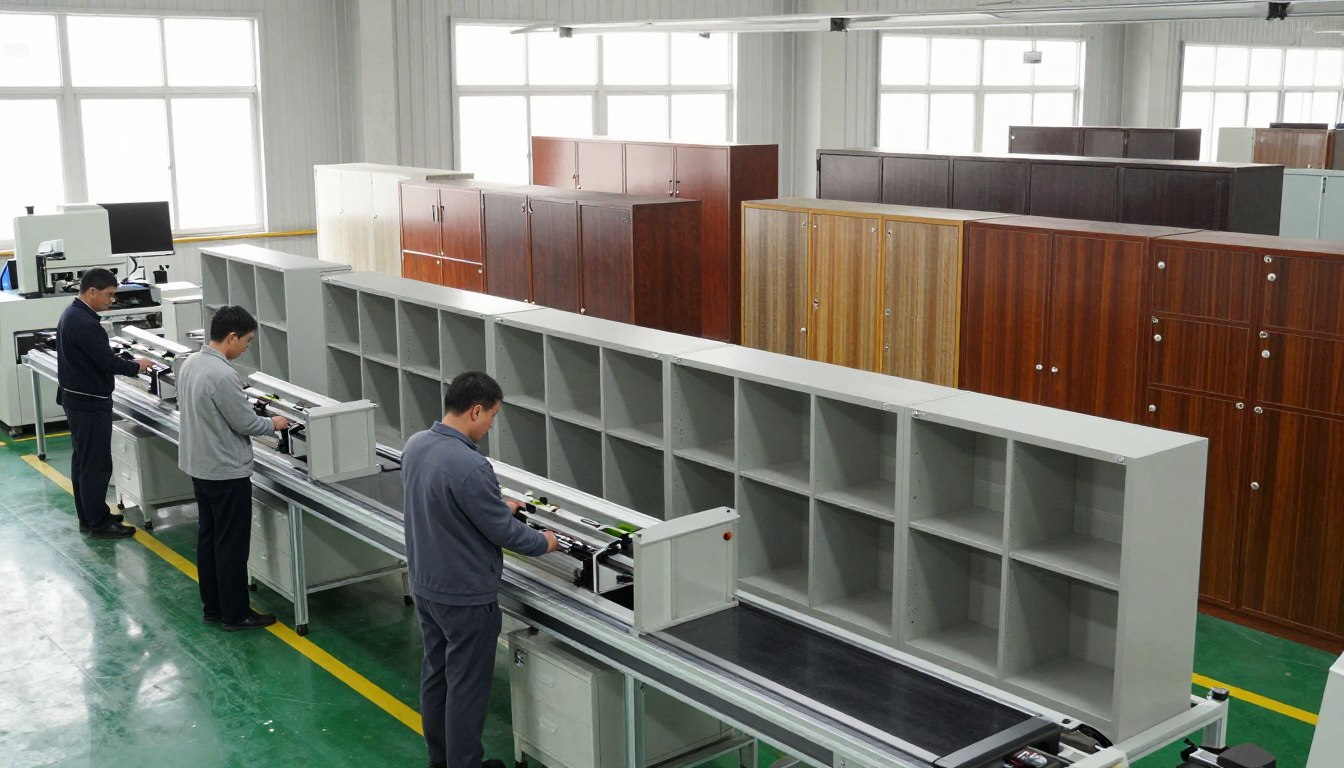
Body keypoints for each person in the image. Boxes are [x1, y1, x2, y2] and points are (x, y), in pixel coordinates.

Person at [403, 371, 558, 768]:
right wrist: (546, 543)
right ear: (475, 410)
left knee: (436, 676)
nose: (491, 424)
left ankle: (442, 760)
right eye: (492, 415)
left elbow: (452, 506)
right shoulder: (471, 466)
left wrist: (492, 505)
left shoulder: (416, 445)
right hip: (466, 597)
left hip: (426, 586)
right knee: (467, 688)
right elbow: (506, 533)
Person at [176, 306, 288, 631]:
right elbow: (245, 422)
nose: (246, 348)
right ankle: (236, 613)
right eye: (247, 342)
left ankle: (213, 606)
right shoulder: (223, 375)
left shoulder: (191, 363)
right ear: (232, 337)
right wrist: (276, 423)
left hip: (200, 466)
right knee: (232, 545)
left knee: (209, 538)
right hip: (226, 471)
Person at [56, 268, 153, 539]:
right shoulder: (86, 324)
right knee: (96, 465)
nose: (112, 301)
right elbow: (108, 363)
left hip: (76, 400)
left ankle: (89, 515)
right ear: (91, 292)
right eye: (109, 296)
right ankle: (99, 524)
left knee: (83, 462)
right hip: (89, 404)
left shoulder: (71, 314)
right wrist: (137, 366)